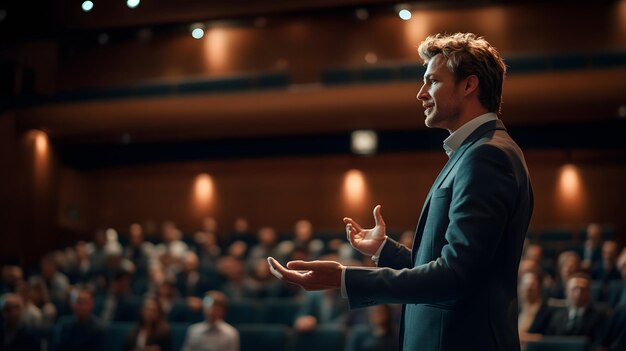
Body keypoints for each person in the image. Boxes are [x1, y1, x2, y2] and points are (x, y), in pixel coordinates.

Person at [268, 32, 533, 351]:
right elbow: (451, 264)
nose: (421, 94)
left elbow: (456, 276)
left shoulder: (486, 155)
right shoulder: (476, 152)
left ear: (468, 85)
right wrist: (385, 251)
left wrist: (344, 279)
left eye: (432, 81)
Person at [542, 273, 608, 348]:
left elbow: (600, 345)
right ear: (566, 292)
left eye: (582, 289)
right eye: (574, 289)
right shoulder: (557, 316)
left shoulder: (600, 317)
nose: (578, 293)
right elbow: (549, 343)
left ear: (589, 293)